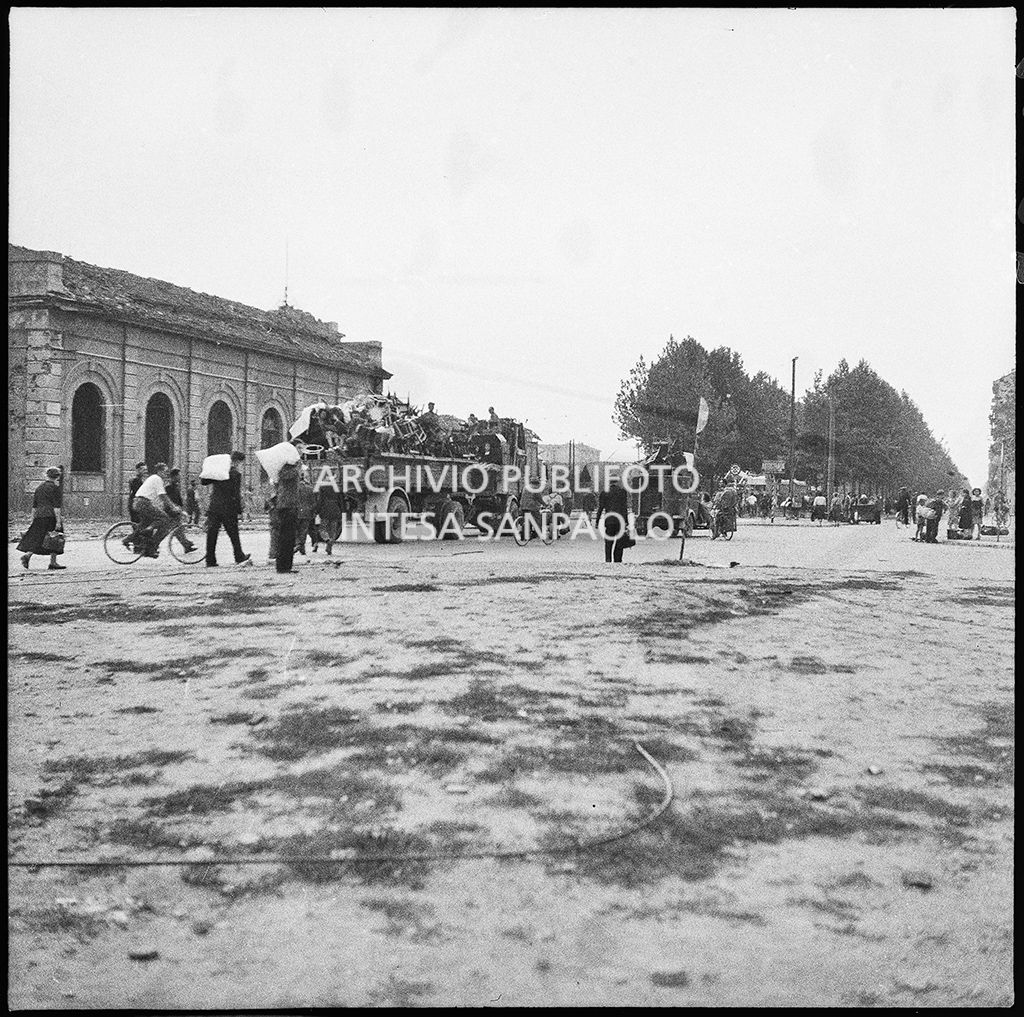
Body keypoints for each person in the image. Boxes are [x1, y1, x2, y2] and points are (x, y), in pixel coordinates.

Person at [203, 451, 251, 567]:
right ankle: (239, 556)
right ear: (238, 461)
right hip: (228, 509)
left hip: (214, 507)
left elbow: (204, 481)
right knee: (233, 534)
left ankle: (210, 560)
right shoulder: (235, 474)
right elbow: (236, 494)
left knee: (212, 533)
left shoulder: (219, 472)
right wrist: (239, 510)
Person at [133, 463, 190, 558]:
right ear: (159, 471)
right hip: (143, 502)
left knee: (145, 524)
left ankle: (131, 540)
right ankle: (151, 545)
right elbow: (163, 496)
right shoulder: (157, 479)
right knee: (164, 520)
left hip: (140, 502)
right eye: (165, 471)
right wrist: (174, 507)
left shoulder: (154, 478)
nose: (166, 474)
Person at [18, 467, 66, 570]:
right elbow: (56, 507)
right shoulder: (56, 488)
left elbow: (34, 506)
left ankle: (27, 555)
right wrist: (58, 521)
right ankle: (53, 562)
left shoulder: (39, 488)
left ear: (47, 475)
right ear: (57, 476)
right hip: (51, 515)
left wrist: (33, 518)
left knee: (38, 537)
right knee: (56, 537)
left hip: (39, 515)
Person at [595, 477, 630, 562]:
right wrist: (626, 521)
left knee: (608, 541)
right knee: (619, 541)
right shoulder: (622, 492)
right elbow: (624, 508)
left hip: (609, 520)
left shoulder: (604, 493)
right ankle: (617, 560)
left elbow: (600, 508)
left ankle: (608, 559)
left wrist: (597, 521)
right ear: (617, 481)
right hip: (620, 520)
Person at [274, 460, 301, 573]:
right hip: (289, 506)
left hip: (283, 506)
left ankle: (282, 565)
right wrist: (298, 468)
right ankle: (285, 567)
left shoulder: (281, 472)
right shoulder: (292, 472)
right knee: (288, 538)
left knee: (283, 537)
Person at [317, 482, 345, 555]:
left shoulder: (322, 488)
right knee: (333, 530)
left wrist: (317, 510)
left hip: (325, 510)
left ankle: (327, 539)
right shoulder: (337, 488)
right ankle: (330, 546)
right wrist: (341, 511)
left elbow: (320, 501)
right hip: (336, 510)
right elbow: (341, 502)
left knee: (322, 529)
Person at [295, 469, 317, 557]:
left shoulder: (295, 489)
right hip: (307, 513)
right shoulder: (310, 489)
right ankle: (302, 547)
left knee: (296, 529)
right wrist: (311, 510)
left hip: (297, 512)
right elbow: (314, 502)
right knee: (304, 531)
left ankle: (298, 544)